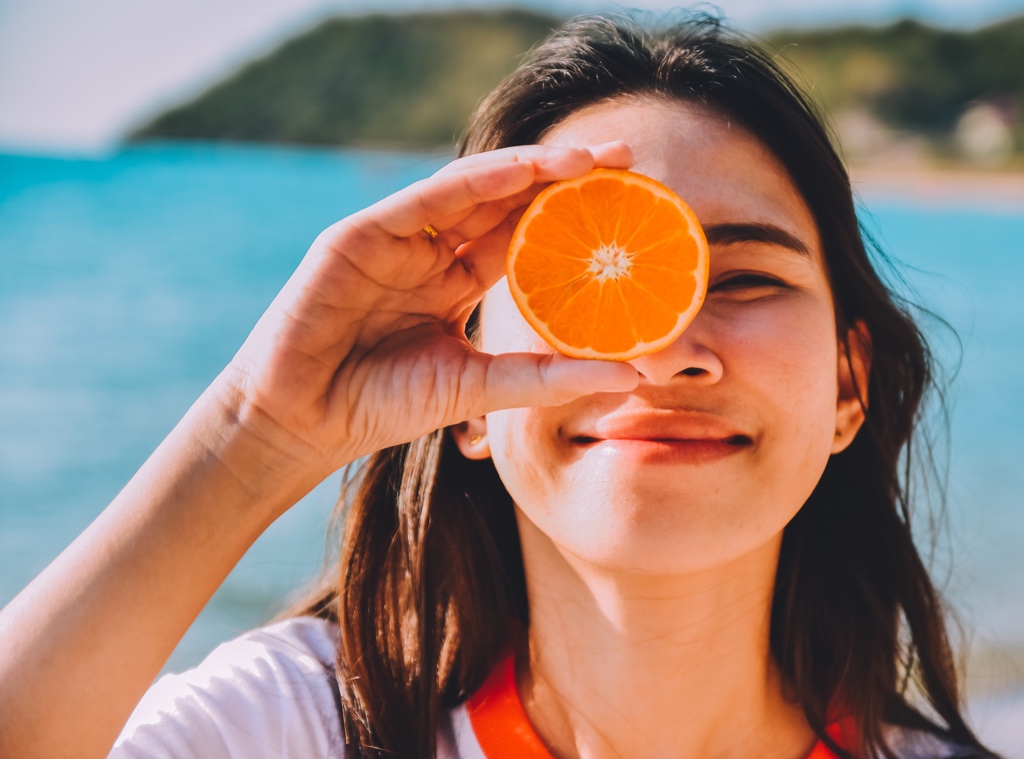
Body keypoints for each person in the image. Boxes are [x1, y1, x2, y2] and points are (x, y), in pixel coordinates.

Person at [0, 11, 1001, 759]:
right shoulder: (301, 725)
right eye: (580, 289)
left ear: (846, 384)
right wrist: (253, 432)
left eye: (742, 279)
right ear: (468, 389)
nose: (660, 353)